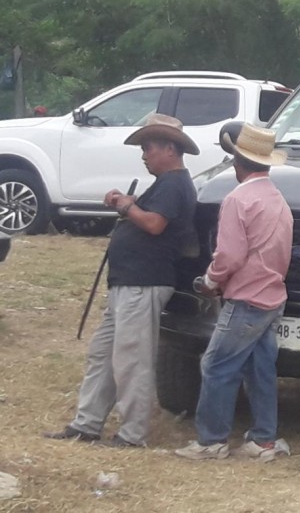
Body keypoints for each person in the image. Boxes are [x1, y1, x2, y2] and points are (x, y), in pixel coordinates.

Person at [44, 114, 198, 447]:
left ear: (169, 148)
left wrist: (126, 206)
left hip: (144, 283)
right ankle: (87, 423)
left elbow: (155, 224)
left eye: (148, 148)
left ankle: (132, 434)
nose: (144, 155)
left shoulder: (174, 183)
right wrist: (126, 204)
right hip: (129, 283)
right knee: (103, 354)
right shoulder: (165, 183)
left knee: (132, 360)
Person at [175, 124, 293, 461]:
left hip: (246, 298)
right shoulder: (278, 199)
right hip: (272, 296)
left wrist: (209, 282)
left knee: (216, 365)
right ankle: (263, 440)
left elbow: (229, 256)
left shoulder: (238, 199)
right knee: (260, 369)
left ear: (236, 160)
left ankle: (211, 441)